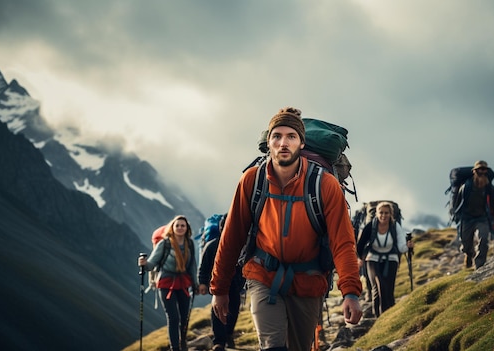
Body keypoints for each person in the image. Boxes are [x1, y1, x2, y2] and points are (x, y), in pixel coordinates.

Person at [210, 107, 363, 351]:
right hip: (263, 276)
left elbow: (342, 242)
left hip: (309, 282)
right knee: (272, 347)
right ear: (268, 142)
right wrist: (219, 288)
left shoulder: (325, 185)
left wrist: (351, 292)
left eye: (291, 136)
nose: (283, 143)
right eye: (277, 136)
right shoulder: (252, 180)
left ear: (302, 143)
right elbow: (232, 236)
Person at [138, 215, 198, 351]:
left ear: (187, 228)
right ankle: (175, 347)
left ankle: (182, 344)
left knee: (185, 317)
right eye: (177, 225)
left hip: (183, 283)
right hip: (166, 283)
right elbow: (152, 263)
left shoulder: (190, 244)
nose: (180, 228)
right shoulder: (164, 244)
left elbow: (192, 266)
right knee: (173, 317)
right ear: (172, 227)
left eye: (183, 225)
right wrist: (144, 264)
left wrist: (195, 284)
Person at [356, 201, 413, 317]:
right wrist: (359, 258)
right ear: (376, 213)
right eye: (381, 213)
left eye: (386, 213)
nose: (383, 215)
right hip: (372, 259)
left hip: (391, 259)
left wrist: (408, 247)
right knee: (379, 286)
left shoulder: (395, 226)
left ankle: (388, 316)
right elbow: (360, 244)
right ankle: (381, 316)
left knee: (388, 288)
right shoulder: (371, 226)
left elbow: (402, 247)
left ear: (391, 214)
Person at [198, 214, 245, 351]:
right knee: (218, 311)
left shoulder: (240, 246)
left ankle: (228, 335)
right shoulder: (212, 246)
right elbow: (204, 267)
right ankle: (219, 341)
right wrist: (202, 283)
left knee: (234, 309)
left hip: (235, 284)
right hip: (217, 284)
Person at [453, 160, 494, 269]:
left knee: (484, 239)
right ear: (474, 171)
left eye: (484, 170)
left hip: (482, 218)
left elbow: (492, 205)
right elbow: (458, 203)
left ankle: (479, 266)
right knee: (466, 243)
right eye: (479, 170)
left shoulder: (490, 189)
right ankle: (469, 254)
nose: (482, 172)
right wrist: (457, 216)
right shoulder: (465, 187)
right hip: (467, 218)